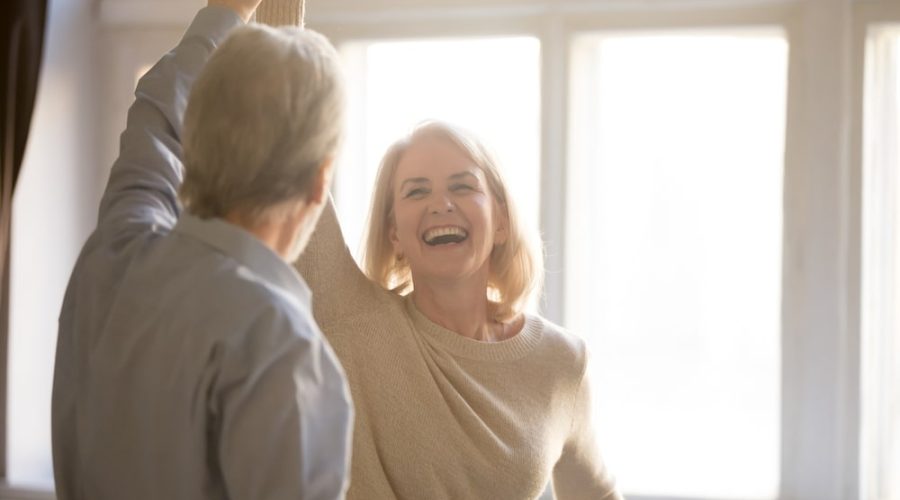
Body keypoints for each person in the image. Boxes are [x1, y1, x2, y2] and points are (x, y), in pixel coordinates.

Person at [51, 2, 353, 499]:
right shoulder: (280, 345)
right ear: (322, 180)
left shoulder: (114, 253)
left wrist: (226, 11)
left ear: (199, 142)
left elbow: (155, 119)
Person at [296, 121, 623, 499]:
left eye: (462, 186)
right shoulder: (352, 318)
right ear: (394, 234)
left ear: (501, 221)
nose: (440, 204)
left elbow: (597, 493)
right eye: (416, 192)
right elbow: (282, 133)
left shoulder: (562, 361)